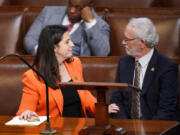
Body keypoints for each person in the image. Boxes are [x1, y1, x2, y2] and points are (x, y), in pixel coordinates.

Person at [16, 25, 97, 120]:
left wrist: (102, 109)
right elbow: (24, 110)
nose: (72, 44)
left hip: (79, 127)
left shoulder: (75, 63)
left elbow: (84, 94)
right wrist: (27, 113)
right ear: (54, 48)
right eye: (67, 42)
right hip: (53, 130)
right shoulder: (32, 76)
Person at [109, 17, 179, 121]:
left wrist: (149, 130)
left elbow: (166, 109)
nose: (123, 42)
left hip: (155, 127)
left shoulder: (167, 67)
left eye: (127, 39)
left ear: (142, 43)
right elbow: (116, 99)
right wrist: (125, 127)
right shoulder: (124, 63)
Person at [24, 0, 110, 56]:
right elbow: (30, 39)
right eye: (70, 4)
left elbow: (102, 54)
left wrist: (90, 24)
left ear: (89, 7)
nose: (71, 10)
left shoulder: (100, 26)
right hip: (43, 64)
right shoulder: (48, 12)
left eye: (78, 8)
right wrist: (45, 53)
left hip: (72, 70)